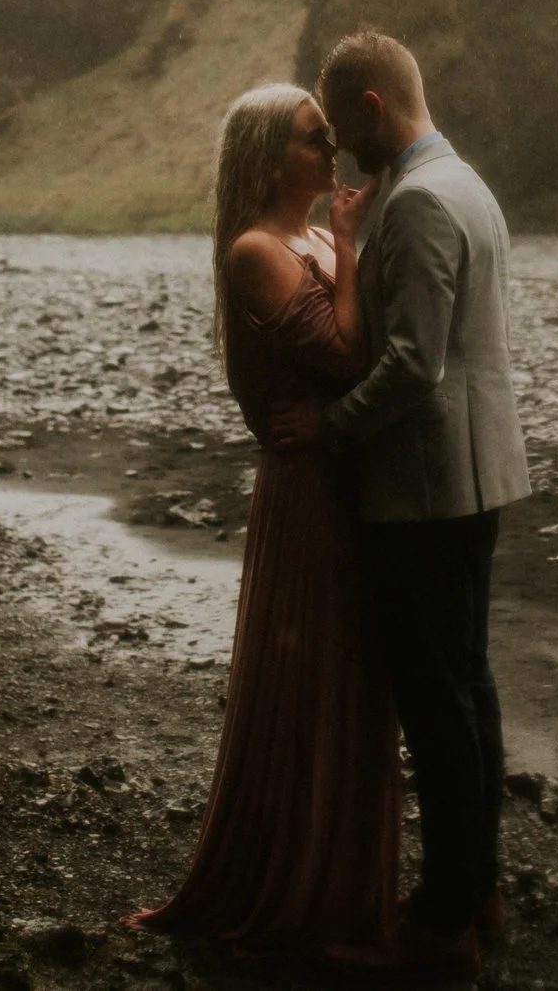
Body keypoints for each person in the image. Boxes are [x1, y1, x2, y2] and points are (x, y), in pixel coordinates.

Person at [273, 31, 532, 979]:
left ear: (373, 107)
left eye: (342, 126)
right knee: (469, 688)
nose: (339, 147)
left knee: (436, 704)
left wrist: (329, 425)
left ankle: (443, 922)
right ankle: (481, 889)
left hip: (427, 484)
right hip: (473, 474)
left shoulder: (421, 201)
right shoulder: (463, 182)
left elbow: (415, 366)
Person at [126, 84, 401, 960]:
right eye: (312, 138)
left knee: (352, 677)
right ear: (267, 157)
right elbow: (351, 354)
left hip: (346, 477)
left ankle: (344, 880)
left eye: (328, 135)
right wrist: (354, 248)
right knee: (308, 680)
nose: (332, 150)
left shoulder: (313, 236)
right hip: (307, 486)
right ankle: (297, 889)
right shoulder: (257, 250)